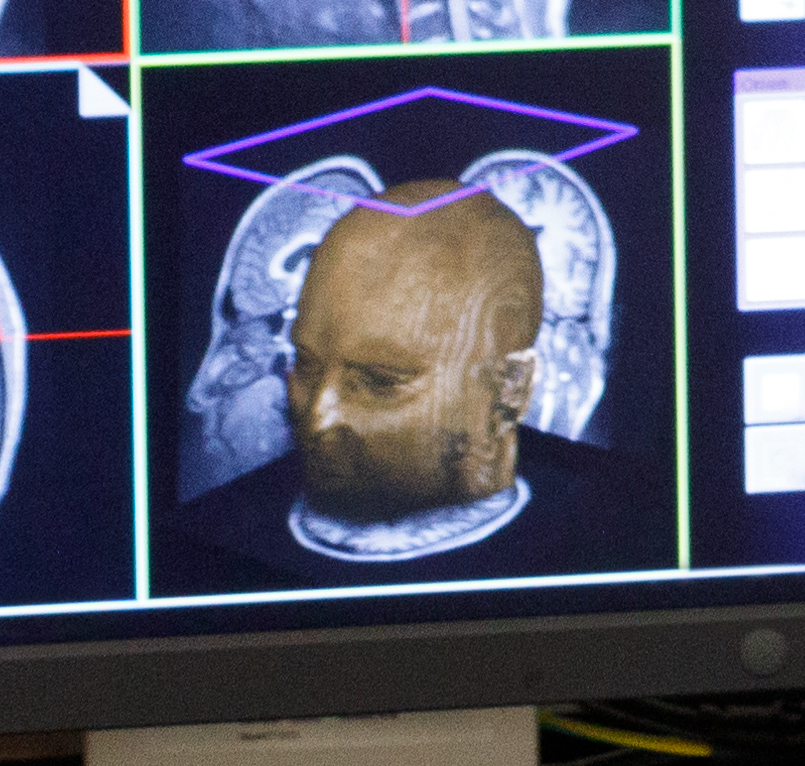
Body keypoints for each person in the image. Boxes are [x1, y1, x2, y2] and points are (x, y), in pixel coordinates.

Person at [175, 172, 660, 585]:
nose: (320, 413)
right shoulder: (203, 546)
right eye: (305, 364)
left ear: (510, 388)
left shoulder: (634, 535)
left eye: (380, 381)